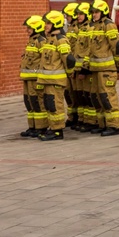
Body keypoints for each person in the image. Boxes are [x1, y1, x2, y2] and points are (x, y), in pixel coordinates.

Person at [88, 0, 119, 136]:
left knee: (107, 97)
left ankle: (114, 126)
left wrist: (118, 62)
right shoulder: (95, 26)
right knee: (97, 98)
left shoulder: (108, 25)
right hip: (95, 70)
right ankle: (103, 124)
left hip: (106, 70)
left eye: (96, 12)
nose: (94, 14)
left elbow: (117, 45)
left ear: (103, 12)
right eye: (93, 12)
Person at [37, 10, 74, 141]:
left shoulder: (61, 40)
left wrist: (69, 74)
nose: (45, 25)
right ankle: (52, 128)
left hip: (56, 81)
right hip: (47, 80)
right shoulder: (49, 40)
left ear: (56, 23)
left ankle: (58, 131)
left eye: (48, 23)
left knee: (55, 105)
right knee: (49, 105)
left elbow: (69, 60)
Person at [19, 15, 48, 138]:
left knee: (37, 102)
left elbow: (45, 60)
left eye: (29, 28)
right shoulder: (31, 41)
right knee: (29, 102)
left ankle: (41, 128)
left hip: (36, 79)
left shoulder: (41, 41)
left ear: (37, 27)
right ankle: (32, 127)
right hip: (27, 78)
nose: (27, 30)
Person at [71, 2, 94, 131]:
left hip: (86, 70)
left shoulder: (90, 29)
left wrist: (85, 69)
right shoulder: (81, 29)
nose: (78, 16)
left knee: (88, 96)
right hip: (78, 69)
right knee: (80, 96)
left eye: (81, 14)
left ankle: (91, 122)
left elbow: (90, 50)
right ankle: (83, 120)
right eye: (77, 14)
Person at [61, 2, 80, 127]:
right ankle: (72, 117)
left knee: (76, 94)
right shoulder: (71, 28)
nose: (66, 18)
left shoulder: (78, 29)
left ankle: (79, 118)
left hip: (76, 67)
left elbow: (79, 49)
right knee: (69, 93)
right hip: (69, 67)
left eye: (67, 15)